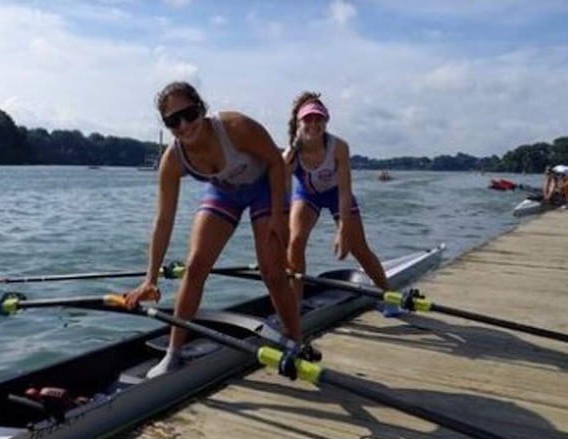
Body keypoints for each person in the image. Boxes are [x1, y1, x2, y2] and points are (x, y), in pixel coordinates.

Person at [124, 81, 312, 378]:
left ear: (202, 109)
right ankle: (173, 354)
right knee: (196, 266)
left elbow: (277, 163)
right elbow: (163, 220)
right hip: (224, 192)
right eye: (173, 121)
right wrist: (150, 279)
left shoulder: (236, 127)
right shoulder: (172, 160)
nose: (184, 125)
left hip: (265, 186)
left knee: (272, 271)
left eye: (189, 114)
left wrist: (278, 216)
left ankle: (295, 340)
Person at [283, 92, 389, 302]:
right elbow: (281, 198)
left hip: (336, 194)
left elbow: (344, 190)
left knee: (358, 247)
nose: (314, 124)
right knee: (294, 243)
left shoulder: (339, 147)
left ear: (326, 121)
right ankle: (294, 306)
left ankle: (388, 294)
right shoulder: (289, 156)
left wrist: (343, 231)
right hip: (308, 194)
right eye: (308, 119)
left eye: (319, 119)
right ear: (298, 122)